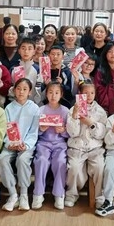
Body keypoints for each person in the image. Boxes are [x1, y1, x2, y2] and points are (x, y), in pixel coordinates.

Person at [0, 78, 40, 212]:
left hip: (26, 145)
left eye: (25, 89)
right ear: (14, 90)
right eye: (18, 89)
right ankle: (13, 194)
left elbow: (33, 132)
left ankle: (23, 194)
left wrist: (26, 145)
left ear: (30, 92)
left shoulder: (34, 108)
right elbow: (5, 129)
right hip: (11, 144)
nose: (21, 92)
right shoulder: (9, 108)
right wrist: (9, 143)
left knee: (22, 160)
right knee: (3, 160)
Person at [65, 80, 108, 208]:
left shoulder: (100, 111)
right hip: (77, 147)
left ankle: (99, 196)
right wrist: (74, 117)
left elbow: (102, 134)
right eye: (86, 93)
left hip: (95, 147)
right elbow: (72, 133)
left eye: (92, 93)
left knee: (100, 166)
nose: (89, 96)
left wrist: (91, 123)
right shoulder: (73, 109)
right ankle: (71, 194)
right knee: (74, 167)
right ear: (80, 94)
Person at [32, 81, 70, 210]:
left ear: (61, 94)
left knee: (60, 162)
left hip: (60, 144)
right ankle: (38, 193)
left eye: (56, 93)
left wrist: (63, 131)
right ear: (46, 94)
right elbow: (34, 131)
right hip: (43, 143)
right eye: (50, 92)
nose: (53, 96)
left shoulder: (65, 111)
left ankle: (59, 194)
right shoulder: (41, 110)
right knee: (41, 161)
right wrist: (41, 129)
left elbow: (70, 133)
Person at [7, 38, 40, 104]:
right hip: (15, 103)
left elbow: (39, 90)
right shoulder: (13, 69)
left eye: (29, 49)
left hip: (32, 104)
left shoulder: (38, 69)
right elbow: (9, 88)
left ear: (34, 51)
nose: (26, 51)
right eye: (23, 48)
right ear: (19, 50)